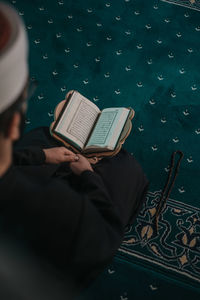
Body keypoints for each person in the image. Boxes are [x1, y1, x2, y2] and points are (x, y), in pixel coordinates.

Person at [0, 1, 149, 298]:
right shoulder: (68, 217)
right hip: (50, 265)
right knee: (124, 167)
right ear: (14, 122)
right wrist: (87, 176)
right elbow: (106, 233)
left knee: (47, 138)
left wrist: (42, 156)